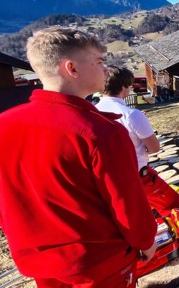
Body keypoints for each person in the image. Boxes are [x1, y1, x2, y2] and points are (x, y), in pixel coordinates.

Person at [0, 27, 157, 286]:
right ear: (72, 68)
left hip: (40, 263)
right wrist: (146, 241)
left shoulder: (4, 124)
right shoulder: (100, 132)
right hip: (99, 263)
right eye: (99, 62)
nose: (106, 70)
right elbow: (127, 203)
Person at [96, 65, 179, 212]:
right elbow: (154, 148)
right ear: (124, 86)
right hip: (137, 178)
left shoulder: (94, 111)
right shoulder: (131, 114)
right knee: (172, 204)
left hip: (108, 182)